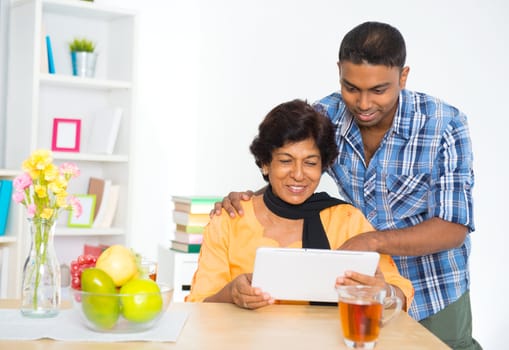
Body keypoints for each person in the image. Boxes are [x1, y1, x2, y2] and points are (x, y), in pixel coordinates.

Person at [214, 22, 480, 350]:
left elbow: (453, 228)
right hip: (360, 291)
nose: (363, 104)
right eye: (351, 87)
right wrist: (246, 199)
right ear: (339, 72)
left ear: (404, 76)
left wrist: (370, 241)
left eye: (379, 90)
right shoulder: (326, 114)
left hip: (434, 287)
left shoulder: (445, 124)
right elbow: (295, 167)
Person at [186, 99, 414, 310]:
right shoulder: (230, 219)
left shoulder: (346, 220)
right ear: (265, 163)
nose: (298, 174)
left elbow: (400, 291)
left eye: (310, 163)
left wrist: (384, 293)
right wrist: (231, 294)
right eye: (286, 161)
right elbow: (198, 305)